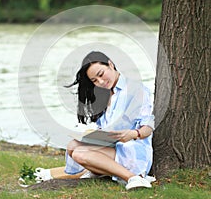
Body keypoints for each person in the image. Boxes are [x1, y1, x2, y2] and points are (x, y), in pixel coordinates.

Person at [34, 51, 155, 190]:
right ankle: (99, 171)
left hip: (132, 150)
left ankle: (134, 178)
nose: (101, 82)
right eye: (94, 81)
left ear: (110, 64)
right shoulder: (104, 95)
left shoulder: (135, 89)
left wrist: (133, 134)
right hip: (113, 148)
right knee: (73, 146)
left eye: (101, 74)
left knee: (79, 153)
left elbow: (149, 126)